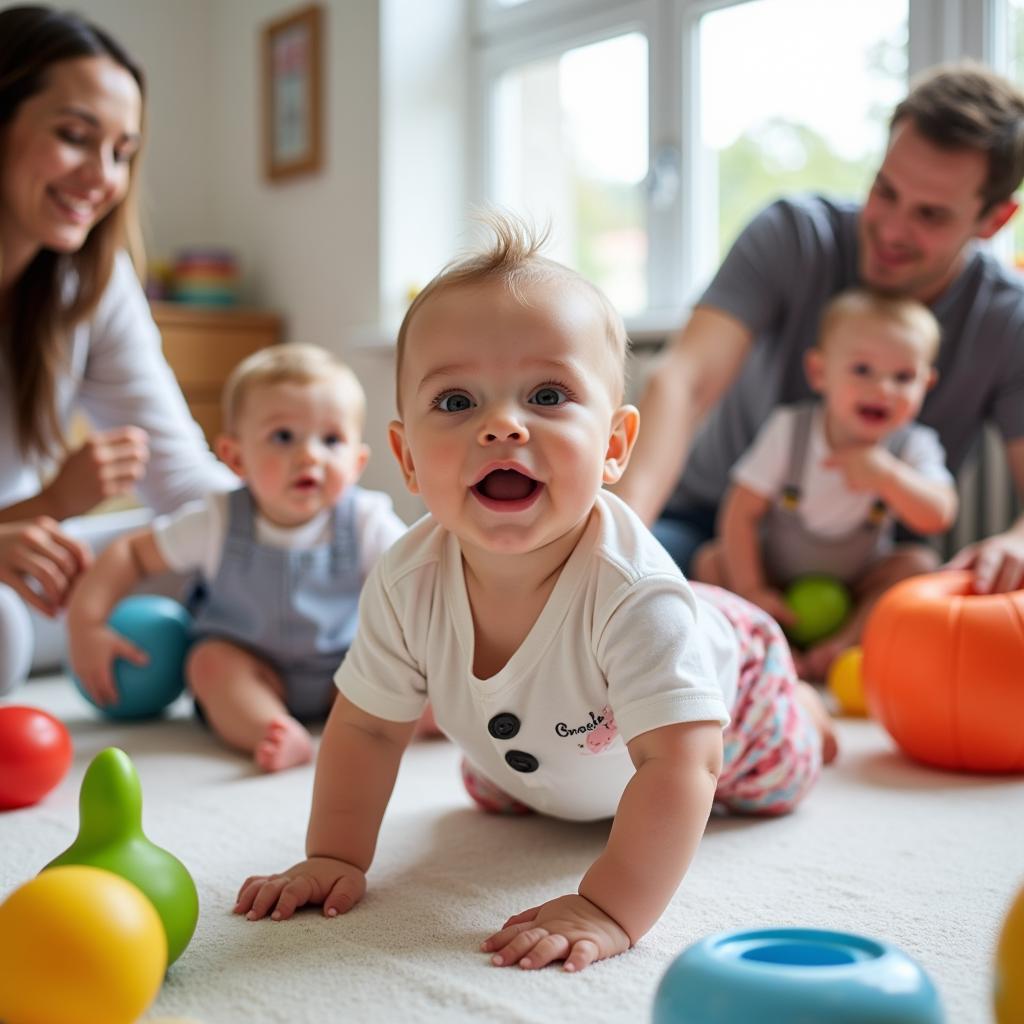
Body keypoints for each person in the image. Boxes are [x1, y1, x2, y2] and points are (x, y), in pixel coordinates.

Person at [233, 216, 835, 972]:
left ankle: (806, 707)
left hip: (732, 692)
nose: (502, 426)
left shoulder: (634, 596)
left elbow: (682, 768)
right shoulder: (404, 577)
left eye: (547, 394)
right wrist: (334, 855)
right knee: (492, 787)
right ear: (406, 459)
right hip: (558, 752)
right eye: (456, 403)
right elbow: (370, 729)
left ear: (615, 446)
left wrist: (610, 907)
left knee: (778, 778)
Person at [615, 61, 1024, 598]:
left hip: (864, 557)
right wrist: (619, 535)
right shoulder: (793, 233)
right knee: (635, 596)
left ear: (993, 221)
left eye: (931, 215)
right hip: (714, 523)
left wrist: (1016, 543)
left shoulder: (1007, 318)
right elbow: (685, 380)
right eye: (885, 190)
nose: (892, 229)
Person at [0, 5, 236, 694]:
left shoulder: (90, 283)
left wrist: (307, 521)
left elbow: (182, 478)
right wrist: (46, 503)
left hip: (31, 570)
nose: (102, 178)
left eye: (123, 153)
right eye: (76, 137)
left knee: (213, 545)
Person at [67, 344, 407, 772]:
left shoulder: (365, 518)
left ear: (357, 462)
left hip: (344, 670)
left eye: (331, 440)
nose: (310, 456)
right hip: (251, 669)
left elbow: (416, 579)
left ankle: (371, 724)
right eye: (283, 437)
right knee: (208, 664)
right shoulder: (218, 519)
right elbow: (130, 553)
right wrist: (87, 625)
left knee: (401, 674)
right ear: (235, 458)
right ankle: (271, 729)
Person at [691, 288, 958, 679]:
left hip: (854, 587)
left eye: (903, 377)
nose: (883, 389)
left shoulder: (912, 446)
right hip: (777, 581)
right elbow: (740, 512)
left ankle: (843, 645)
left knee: (920, 565)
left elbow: (939, 515)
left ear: (926, 385)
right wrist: (753, 589)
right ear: (819, 373)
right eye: (862, 370)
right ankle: (769, 643)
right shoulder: (791, 430)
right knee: (711, 561)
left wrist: (888, 475)